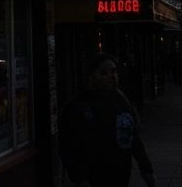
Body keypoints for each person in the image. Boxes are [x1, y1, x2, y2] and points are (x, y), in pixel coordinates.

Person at [60, 53, 156, 187]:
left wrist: (146, 168)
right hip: (94, 176)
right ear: (91, 76)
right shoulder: (79, 106)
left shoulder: (121, 101)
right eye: (104, 72)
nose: (112, 76)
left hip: (121, 174)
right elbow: (70, 146)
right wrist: (79, 177)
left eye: (114, 71)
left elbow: (132, 136)